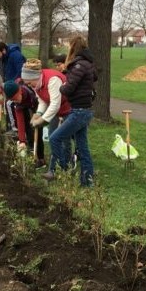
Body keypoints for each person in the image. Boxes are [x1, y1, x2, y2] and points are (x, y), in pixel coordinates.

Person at [54, 35, 97, 187]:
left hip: (78, 111)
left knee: (55, 138)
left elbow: (69, 88)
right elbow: (93, 77)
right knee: (83, 147)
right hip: (83, 109)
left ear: (73, 47)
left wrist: (60, 86)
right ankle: (87, 181)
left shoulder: (78, 65)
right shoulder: (87, 63)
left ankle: (60, 170)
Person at [20, 58, 71, 176]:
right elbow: (42, 100)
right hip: (55, 111)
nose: (29, 86)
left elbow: (55, 104)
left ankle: (65, 167)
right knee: (53, 138)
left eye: (29, 83)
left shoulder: (52, 80)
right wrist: (38, 114)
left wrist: (42, 120)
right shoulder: (36, 84)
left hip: (69, 108)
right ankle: (54, 168)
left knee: (64, 139)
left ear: (35, 77)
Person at [3, 80, 46, 169]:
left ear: (20, 92)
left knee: (38, 133)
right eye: (12, 100)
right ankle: (32, 154)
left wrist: (37, 118)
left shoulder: (31, 94)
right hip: (25, 108)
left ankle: (41, 159)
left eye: (15, 99)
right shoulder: (18, 104)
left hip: (38, 107)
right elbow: (20, 122)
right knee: (28, 131)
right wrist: (22, 140)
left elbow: (41, 106)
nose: (15, 101)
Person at [0, 41, 26, 136]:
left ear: (4, 51)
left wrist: (10, 85)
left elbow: (21, 72)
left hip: (17, 85)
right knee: (7, 105)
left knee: (12, 105)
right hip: (7, 85)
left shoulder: (16, 55)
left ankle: (17, 130)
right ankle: (10, 127)